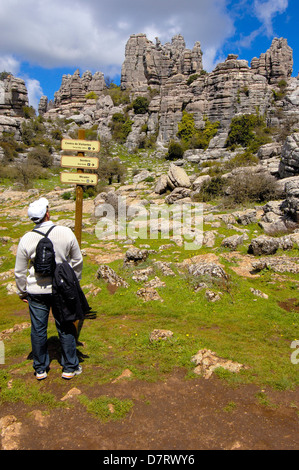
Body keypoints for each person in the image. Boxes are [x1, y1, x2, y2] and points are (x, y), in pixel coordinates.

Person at [15, 197, 83, 380]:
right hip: (61, 289)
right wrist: (73, 283)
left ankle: (40, 369)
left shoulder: (26, 238)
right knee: (65, 326)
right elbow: (77, 260)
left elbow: (20, 271)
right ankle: (70, 367)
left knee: (38, 329)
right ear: (47, 213)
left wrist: (22, 291)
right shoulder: (65, 232)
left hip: (36, 291)